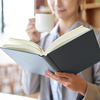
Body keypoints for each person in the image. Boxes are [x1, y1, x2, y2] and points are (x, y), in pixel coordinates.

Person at [22, 0, 100, 100]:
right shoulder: (42, 39)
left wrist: (83, 88)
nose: (57, 4)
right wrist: (33, 45)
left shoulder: (96, 38)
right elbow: (29, 88)